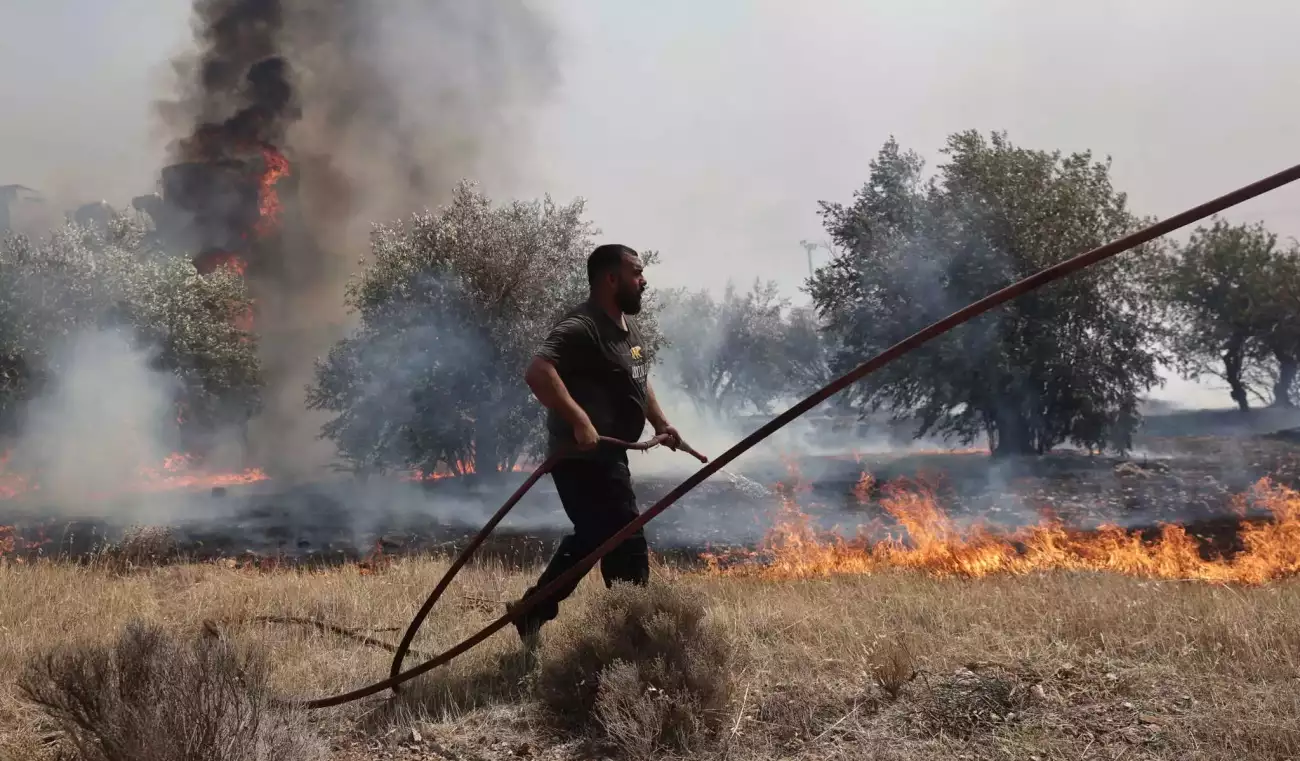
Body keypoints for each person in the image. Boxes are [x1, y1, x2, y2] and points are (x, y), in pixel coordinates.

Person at [508, 243, 688, 648]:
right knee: (626, 536)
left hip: (611, 456)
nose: (644, 281)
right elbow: (538, 371)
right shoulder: (582, 326)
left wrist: (661, 423)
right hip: (580, 458)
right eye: (636, 273)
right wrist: (580, 420)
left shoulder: (629, 329)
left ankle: (532, 612)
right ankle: (634, 633)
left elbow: (638, 382)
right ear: (611, 278)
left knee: (594, 535)